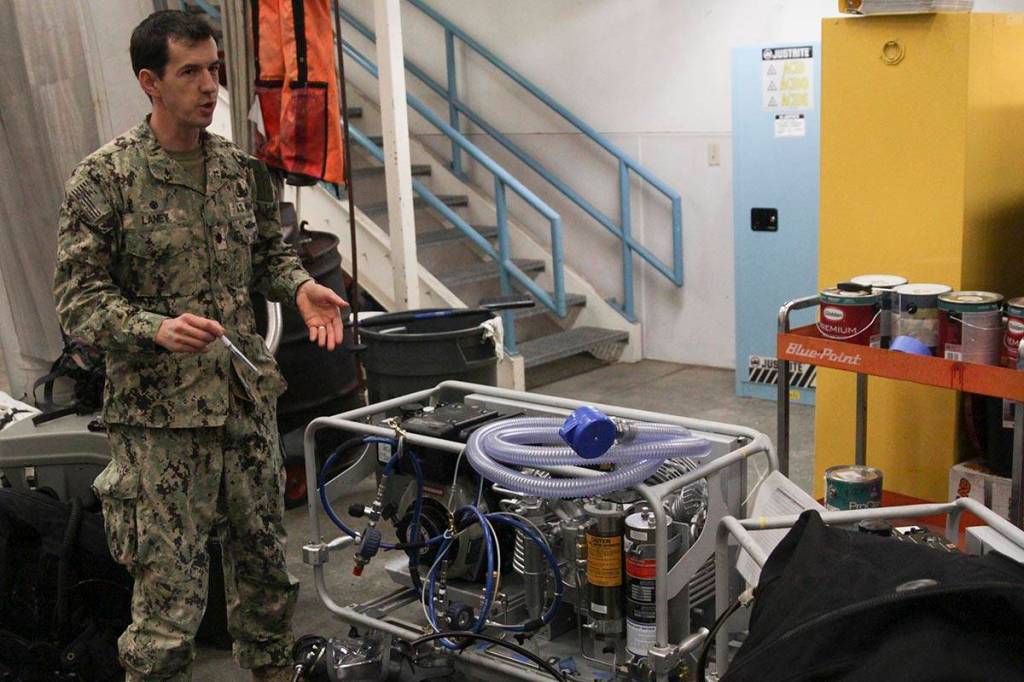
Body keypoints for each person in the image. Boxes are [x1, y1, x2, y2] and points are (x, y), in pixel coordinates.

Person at [53, 10, 347, 682]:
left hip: (243, 405)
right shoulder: (106, 179)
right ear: (150, 82)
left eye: (214, 68)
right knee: (169, 602)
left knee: (266, 575)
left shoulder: (242, 172)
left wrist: (300, 287)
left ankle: (272, 671)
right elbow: (78, 299)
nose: (210, 85)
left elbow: (268, 256)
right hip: (161, 424)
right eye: (190, 72)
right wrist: (152, 328)